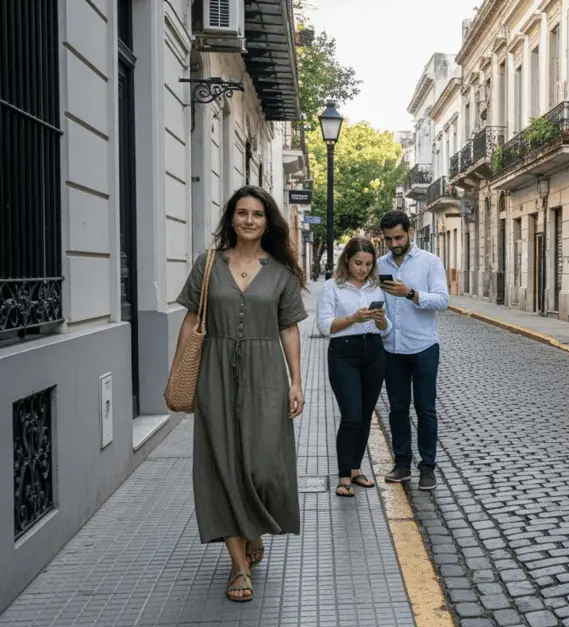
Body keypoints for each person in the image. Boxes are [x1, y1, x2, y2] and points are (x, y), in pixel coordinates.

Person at [169, 185, 308, 602]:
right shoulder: (207, 265)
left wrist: (296, 380)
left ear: (269, 222)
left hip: (266, 373)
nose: (249, 220)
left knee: (265, 465)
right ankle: (239, 565)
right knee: (221, 464)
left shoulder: (282, 273)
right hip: (214, 371)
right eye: (242, 213)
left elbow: (288, 328)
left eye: (258, 214)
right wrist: (178, 374)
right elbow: (192, 319)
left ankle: (254, 527)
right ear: (231, 218)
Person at [376, 211, 449, 490]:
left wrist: (411, 293)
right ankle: (402, 463)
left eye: (398, 237)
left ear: (410, 232)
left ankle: (427, 467)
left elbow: (442, 301)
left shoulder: (430, 262)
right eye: (388, 239)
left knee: (425, 408)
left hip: (423, 347)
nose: (394, 243)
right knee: (397, 409)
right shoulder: (380, 264)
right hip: (391, 347)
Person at [317, 236, 392, 497]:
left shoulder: (376, 289)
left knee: (365, 416)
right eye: (358, 262)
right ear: (346, 259)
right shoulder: (332, 287)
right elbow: (325, 326)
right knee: (351, 415)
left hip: (374, 353)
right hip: (343, 354)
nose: (363, 269)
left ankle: (357, 470)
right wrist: (353, 318)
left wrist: (381, 320)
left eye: (368, 264)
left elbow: (387, 329)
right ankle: (343, 476)